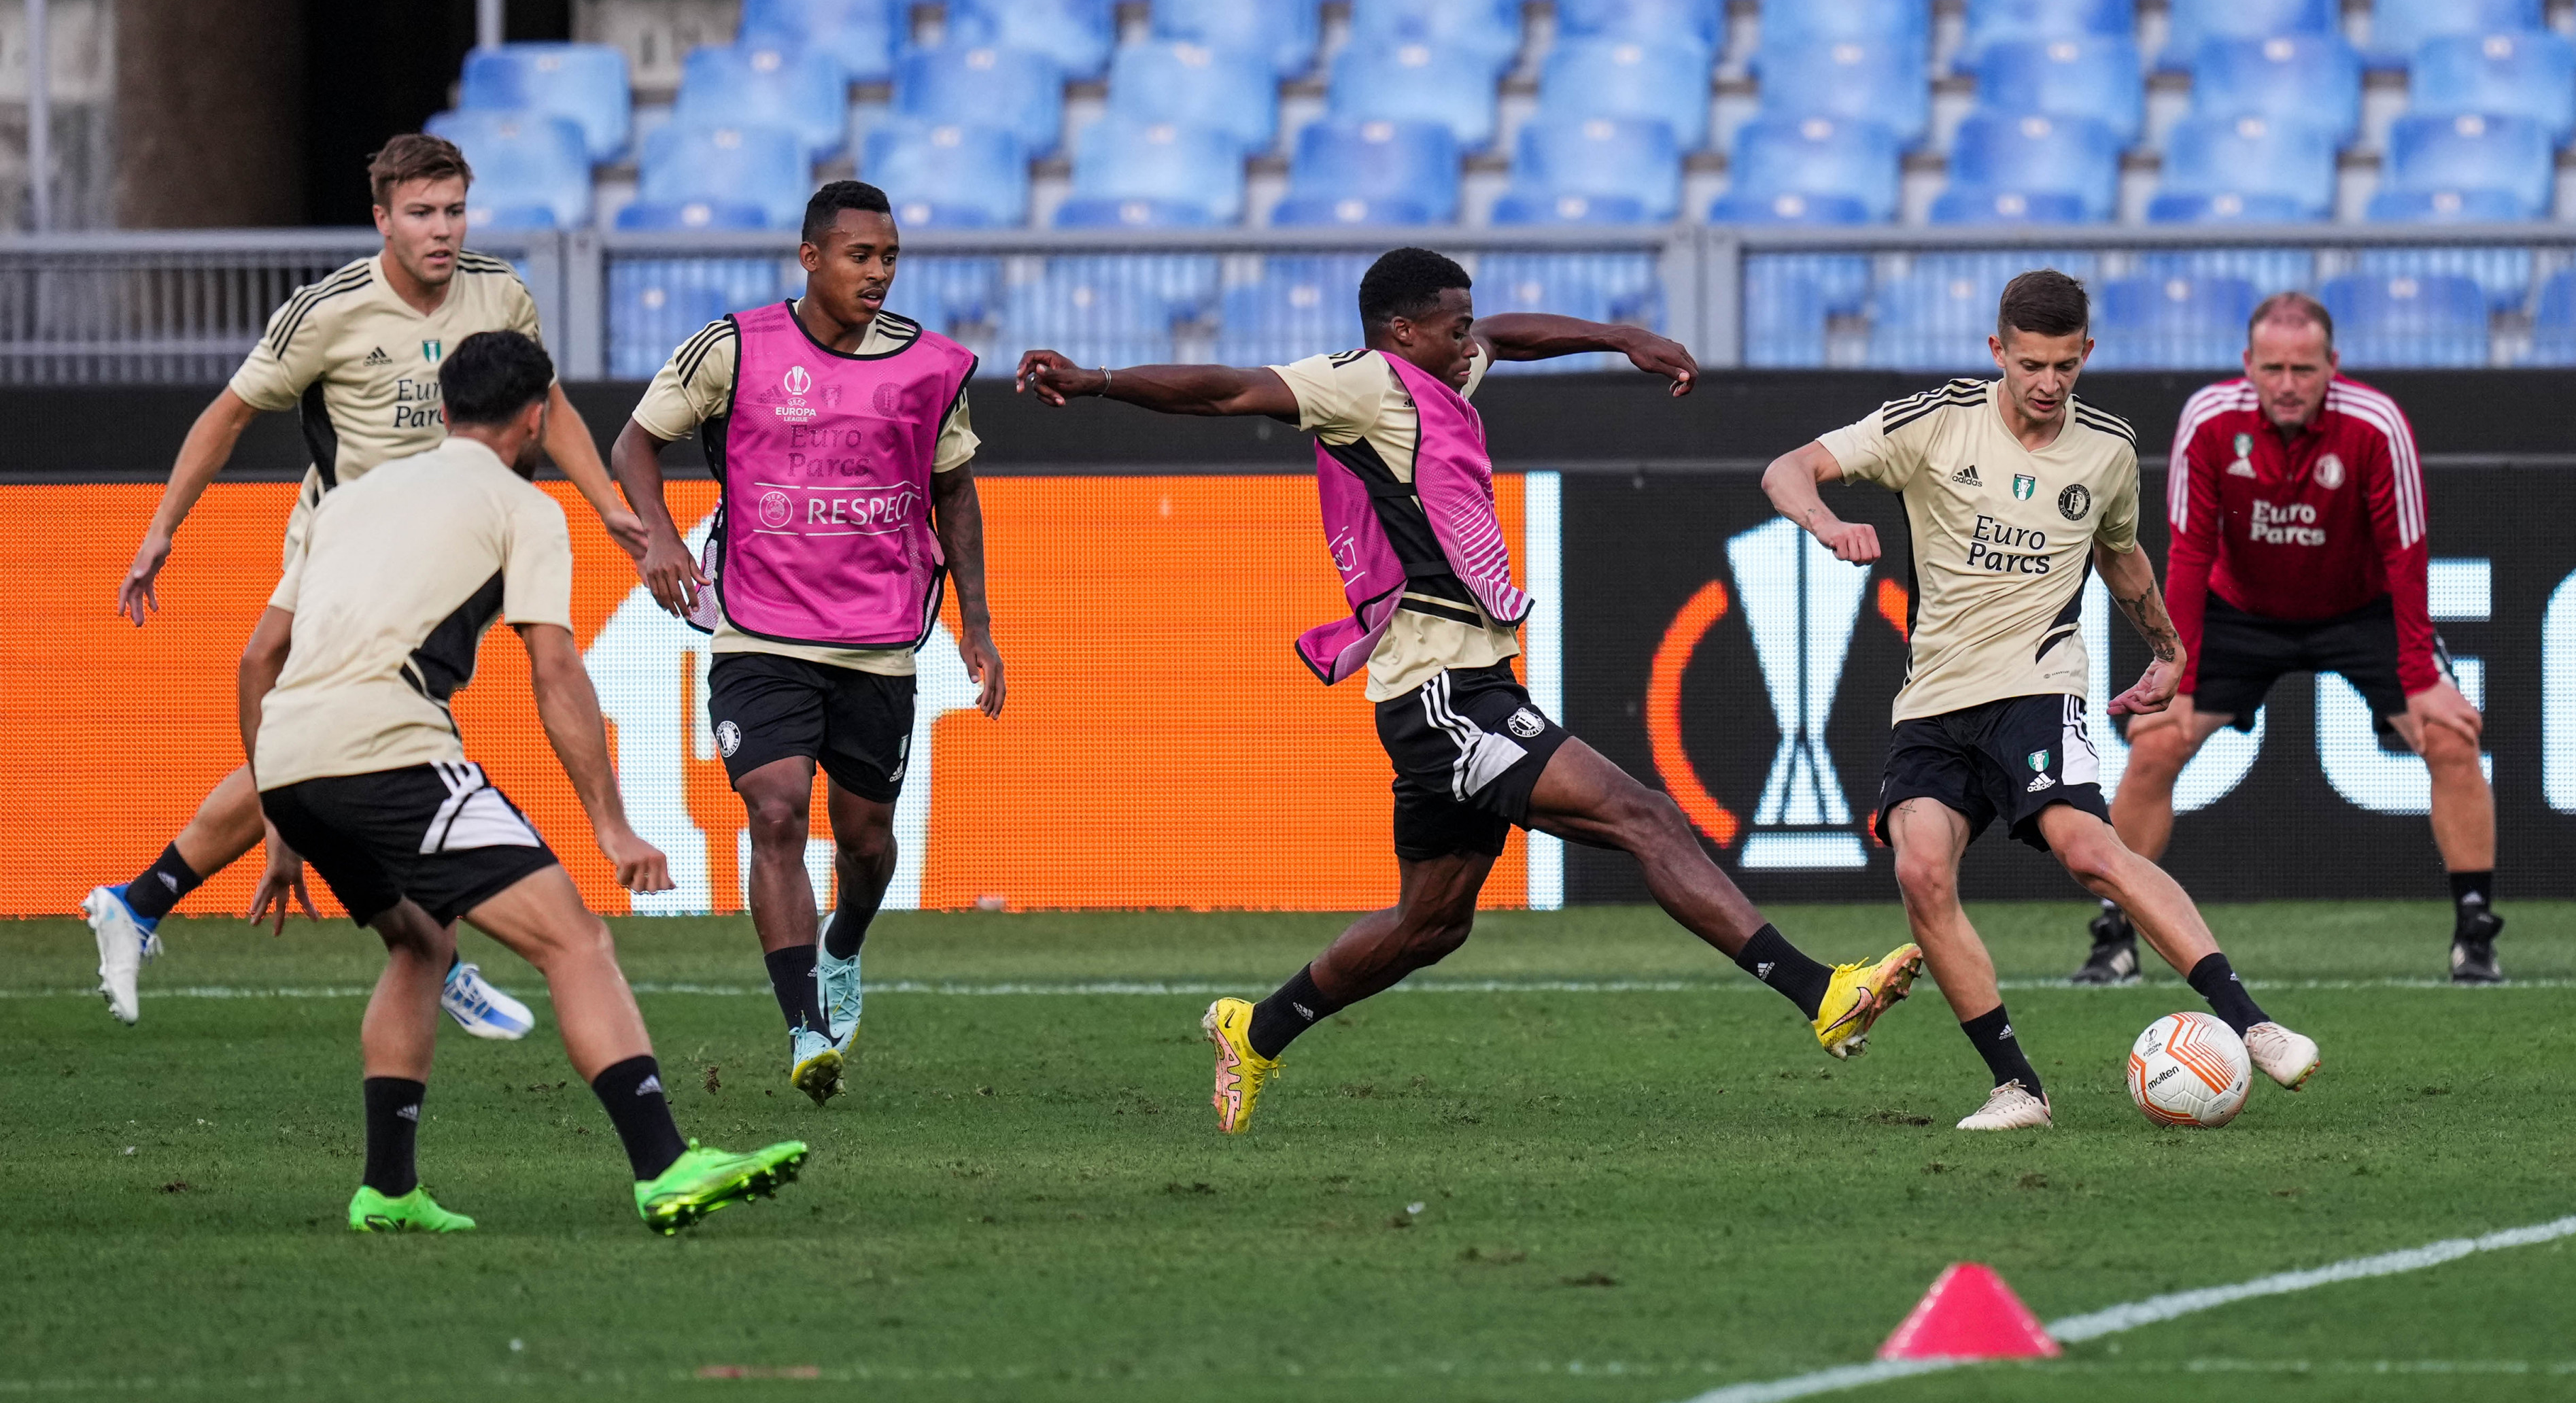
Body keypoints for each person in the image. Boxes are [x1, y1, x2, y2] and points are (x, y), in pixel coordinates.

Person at [1016, 247, 1926, 1136]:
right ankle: (1822, 994)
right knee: (1643, 814)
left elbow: (1514, 336)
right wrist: (1096, 381)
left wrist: (1620, 338)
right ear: (1403, 332)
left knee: (1430, 924)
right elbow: (1226, 390)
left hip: (1462, 682)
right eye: (1456, 330)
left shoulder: (1436, 377)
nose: (1473, 344)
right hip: (1438, 692)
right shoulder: (1360, 384)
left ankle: (1256, 1030)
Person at [87, 133, 651, 1036]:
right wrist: (160, 532)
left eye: (454, 210)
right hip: (351, 546)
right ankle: (421, 948)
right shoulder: (328, 311)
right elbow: (227, 416)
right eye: (421, 213)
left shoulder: (499, 291)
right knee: (347, 721)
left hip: (450, 550)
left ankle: (162, 900)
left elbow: (551, 406)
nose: (441, 230)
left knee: (370, 737)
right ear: (381, 217)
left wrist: (608, 505)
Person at [244, 331, 804, 1234]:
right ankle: (664, 1165)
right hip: (388, 750)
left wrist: (279, 815)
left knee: (422, 944)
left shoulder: (348, 500)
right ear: (538, 414)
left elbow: (259, 656)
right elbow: (556, 673)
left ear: (446, 408)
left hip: (287, 760)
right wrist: (613, 827)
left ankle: (388, 1192)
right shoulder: (523, 508)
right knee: (573, 942)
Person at [1761, 269, 2322, 1130]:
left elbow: (2122, 556)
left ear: (2086, 354)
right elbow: (1787, 467)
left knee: (2089, 850)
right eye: (2031, 364)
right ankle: (2018, 1086)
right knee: (1918, 871)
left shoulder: (2105, 447)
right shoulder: (1936, 420)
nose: (2049, 384)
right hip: (1934, 696)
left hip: (2039, 680)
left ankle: (2254, 1024)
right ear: (1998, 352)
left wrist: (2169, 648)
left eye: (2065, 366)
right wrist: (1827, 522)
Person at [611, 181, 1005, 1105]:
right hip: (758, 628)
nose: (878, 272)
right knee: (777, 810)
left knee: (865, 843)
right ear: (811, 258)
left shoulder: (927, 365)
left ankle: (845, 948)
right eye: (861, 256)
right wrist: (661, 538)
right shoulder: (735, 349)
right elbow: (634, 443)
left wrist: (978, 628)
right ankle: (803, 1029)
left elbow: (956, 495)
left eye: (890, 257)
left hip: (881, 641)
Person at [2072, 291, 2498, 985]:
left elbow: (2407, 553)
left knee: (2451, 737)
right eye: (2273, 368)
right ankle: (2115, 935)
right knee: (2154, 746)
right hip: (2241, 611)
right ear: (2248, 365)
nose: (2288, 384)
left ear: (2334, 364)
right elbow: (2189, 551)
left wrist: (2420, 674)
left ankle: (2475, 933)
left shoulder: (2375, 424)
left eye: (2304, 368)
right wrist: (2177, 665)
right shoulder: (2210, 420)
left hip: (2360, 610)